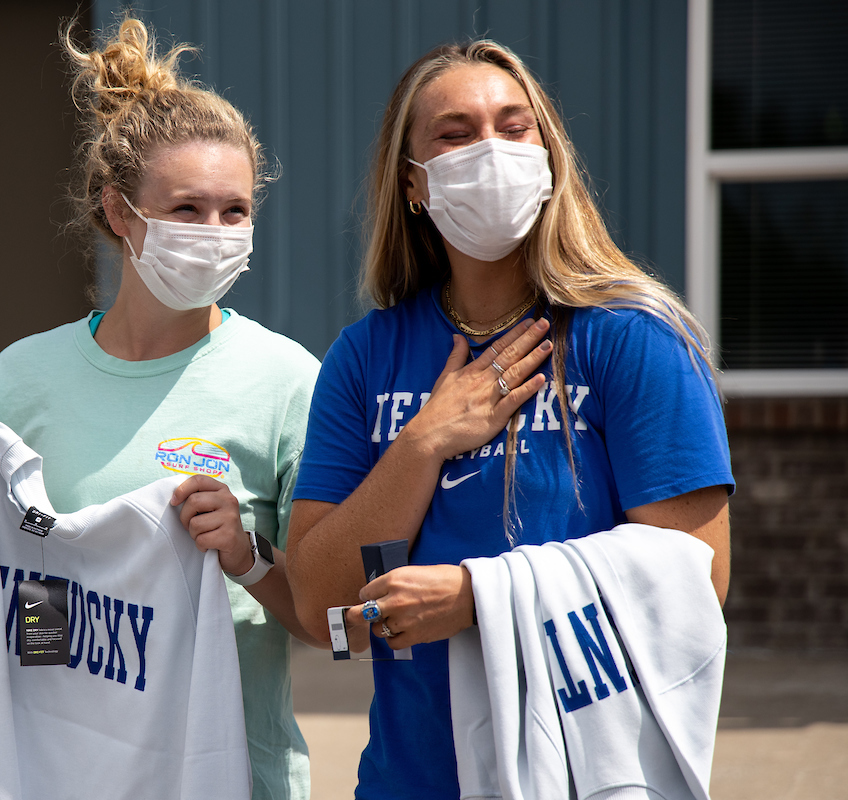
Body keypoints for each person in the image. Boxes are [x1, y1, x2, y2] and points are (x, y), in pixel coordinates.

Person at [285, 40, 733, 798]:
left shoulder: (635, 337)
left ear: (550, 157)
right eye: (454, 134)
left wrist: (474, 598)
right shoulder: (366, 356)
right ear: (415, 185)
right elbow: (316, 604)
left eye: (514, 126)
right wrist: (425, 440)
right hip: (411, 780)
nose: (489, 151)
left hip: (588, 773)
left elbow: (698, 579)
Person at [0, 16, 318, 800]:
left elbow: (324, 620)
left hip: (235, 773)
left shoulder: (287, 381)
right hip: (66, 773)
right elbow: (7, 601)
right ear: (118, 212)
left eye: (235, 211)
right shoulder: (23, 376)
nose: (215, 234)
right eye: (186, 209)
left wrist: (246, 557)